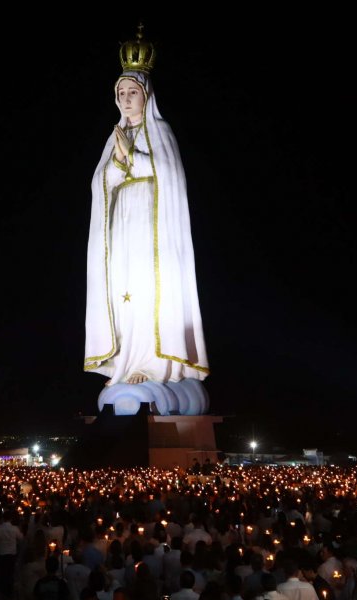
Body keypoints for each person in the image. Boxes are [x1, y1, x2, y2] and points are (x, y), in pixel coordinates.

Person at [84, 27, 209, 386]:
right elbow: (100, 181)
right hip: (122, 225)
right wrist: (118, 161)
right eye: (121, 93)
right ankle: (125, 361)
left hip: (152, 226)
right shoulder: (115, 136)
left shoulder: (161, 131)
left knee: (149, 288)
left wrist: (133, 159)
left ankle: (153, 364)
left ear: (146, 95)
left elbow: (168, 174)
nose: (126, 99)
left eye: (132, 92)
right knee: (123, 288)